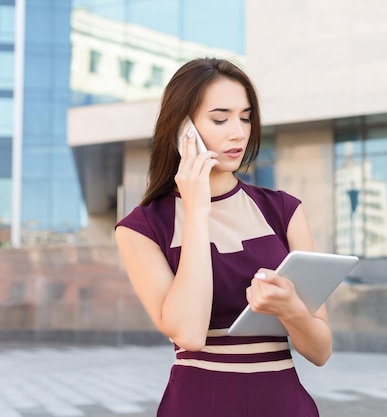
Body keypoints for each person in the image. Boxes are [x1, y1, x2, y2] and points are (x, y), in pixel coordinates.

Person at [115, 57, 331, 416]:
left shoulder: (284, 211)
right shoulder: (142, 228)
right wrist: (196, 210)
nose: (239, 132)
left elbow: (321, 351)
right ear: (182, 128)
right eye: (220, 118)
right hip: (200, 403)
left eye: (245, 117)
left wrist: (291, 309)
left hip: (283, 404)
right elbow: (188, 333)